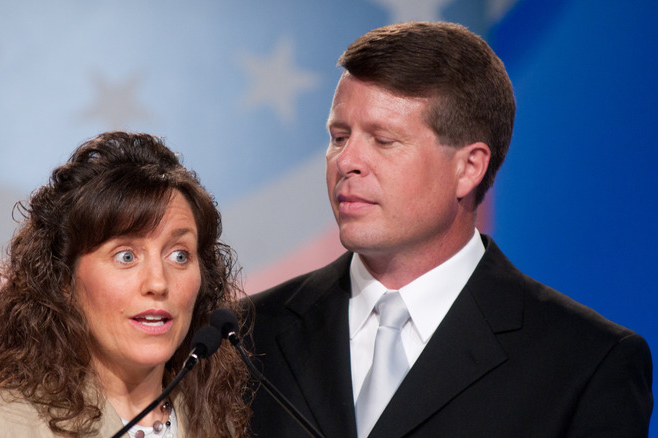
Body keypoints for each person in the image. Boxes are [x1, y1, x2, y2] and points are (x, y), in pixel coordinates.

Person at [246, 21, 653, 437]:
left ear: (469, 168)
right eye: (338, 136)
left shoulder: (586, 363)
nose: (345, 161)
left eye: (383, 140)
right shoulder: (245, 335)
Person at [0, 131, 251, 437]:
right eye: (126, 256)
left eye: (179, 256)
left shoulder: (215, 422)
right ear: (64, 279)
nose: (158, 283)